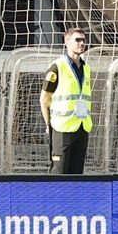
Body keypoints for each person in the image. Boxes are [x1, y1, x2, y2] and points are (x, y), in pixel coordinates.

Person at [42, 28, 93, 174]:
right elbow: (44, 99)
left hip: (82, 127)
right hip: (62, 128)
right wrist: (48, 125)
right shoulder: (57, 67)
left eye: (83, 40)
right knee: (59, 173)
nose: (82, 43)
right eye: (77, 40)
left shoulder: (86, 68)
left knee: (77, 174)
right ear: (67, 42)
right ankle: (54, 198)